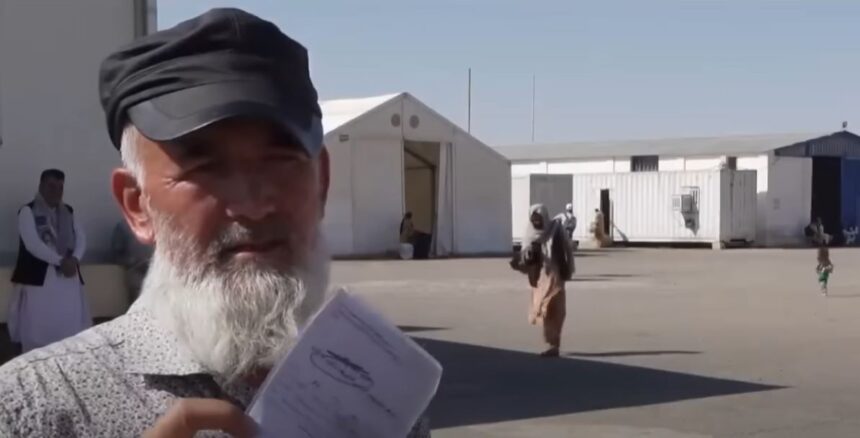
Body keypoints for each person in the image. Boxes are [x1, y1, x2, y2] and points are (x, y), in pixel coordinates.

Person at [0, 9, 430, 437]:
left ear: (321, 185)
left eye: (281, 160)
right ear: (137, 206)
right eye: (205, 167)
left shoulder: (380, 396)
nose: (253, 204)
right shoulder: (29, 409)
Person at [7, 169, 90, 353]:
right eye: (51, 186)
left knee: (68, 326)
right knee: (38, 328)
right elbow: (32, 244)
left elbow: (81, 237)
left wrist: (75, 258)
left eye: (60, 187)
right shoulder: (28, 211)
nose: (56, 191)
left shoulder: (68, 211)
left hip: (68, 278)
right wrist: (60, 261)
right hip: (40, 280)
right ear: (41, 186)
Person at [511, 204, 574, 358]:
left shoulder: (556, 228)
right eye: (534, 221)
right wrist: (525, 258)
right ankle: (551, 343)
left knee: (555, 308)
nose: (537, 223)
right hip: (540, 277)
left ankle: (554, 345)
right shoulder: (530, 231)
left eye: (539, 220)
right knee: (543, 310)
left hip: (555, 274)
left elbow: (567, 249)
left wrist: (570, 268)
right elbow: (524, 252)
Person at [111, 219, 153, 305]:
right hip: (135, 272)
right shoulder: (123, 226)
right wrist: (133, 262)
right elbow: (116, 254)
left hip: (157, 274)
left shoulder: (160, 224)